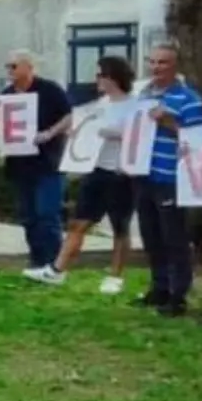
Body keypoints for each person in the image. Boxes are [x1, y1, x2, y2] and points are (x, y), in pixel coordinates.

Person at [44, 56, 137, 292]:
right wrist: (70, 133)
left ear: (113, 77)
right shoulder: (99, 104)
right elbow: (77, 118)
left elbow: (140, 135)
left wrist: (115, 134)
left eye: (100, 75)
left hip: (121, 172)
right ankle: (58, 269)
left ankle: (116, 275)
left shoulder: (133, 105)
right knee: (79, 221)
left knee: (120, 226)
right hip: (96, 169)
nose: (96, 80)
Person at [134, 41, 202, 317]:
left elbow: (199, 139)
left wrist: (169, 123)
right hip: (144, 174)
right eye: (152, 62)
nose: (156, 68)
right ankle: (159, 288)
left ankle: (179, 295)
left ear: (175, 66)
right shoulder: (144, 94)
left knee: (174, 239)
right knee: (151, 237)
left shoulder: (189, 98)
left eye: (162, 62)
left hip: (171, 177)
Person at [0, 51, 72, 281]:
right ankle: (37, 259)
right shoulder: (7, 95)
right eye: (7, 67)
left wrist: (51, 132)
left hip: (48, 161)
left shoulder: (49, 90)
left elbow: (70, 115)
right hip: (20, 163)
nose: (9, 72)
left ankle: (55, 264)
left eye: (13, 66)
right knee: (28, 215)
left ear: (28, 67)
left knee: (47, 212)